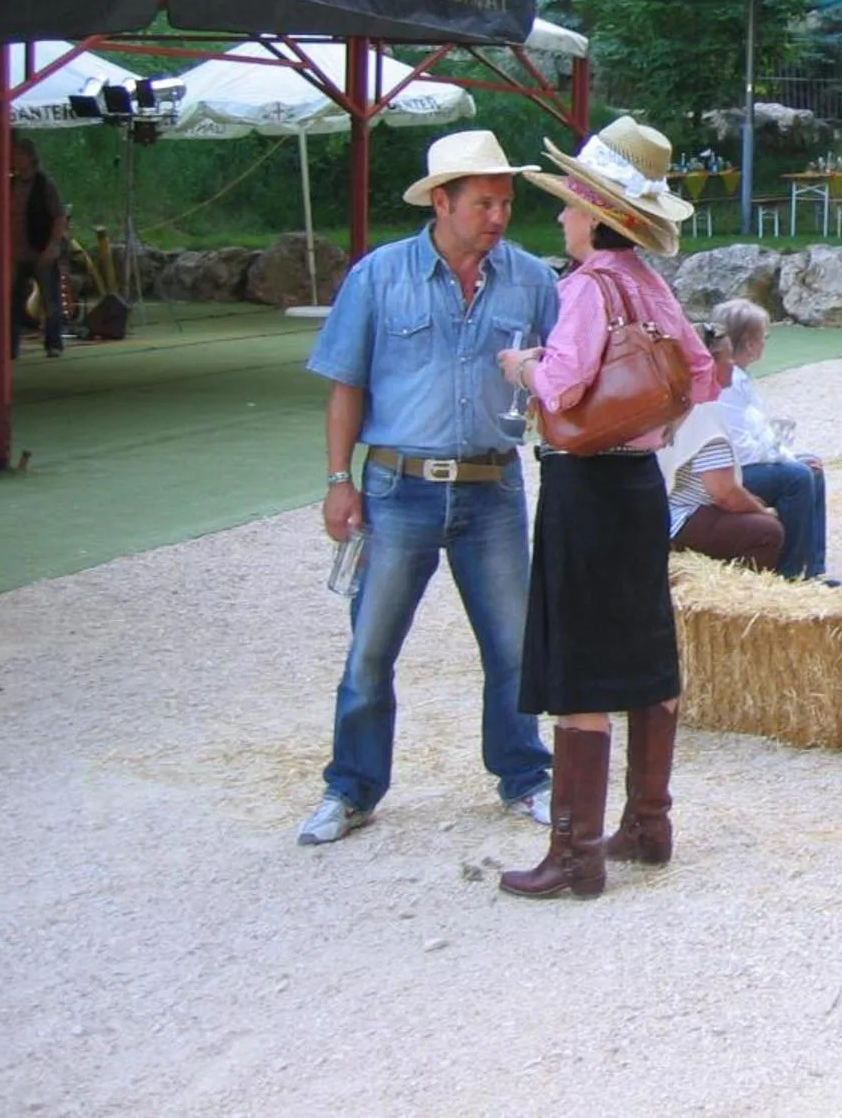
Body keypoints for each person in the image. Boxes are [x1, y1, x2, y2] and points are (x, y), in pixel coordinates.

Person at [298, 129, 560, 849]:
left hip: (493, 485)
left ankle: (526, 776)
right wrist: (337, 481)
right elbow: (345, 385)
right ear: (441, 201)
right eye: (484, 203)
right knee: (371, 649)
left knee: (514, 646)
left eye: (505, 203)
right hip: (396, 486)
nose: (498, 216)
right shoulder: (379, 276)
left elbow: (565, 376)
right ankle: (351, 789)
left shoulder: (532, 280)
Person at [497, 117, 715, 900]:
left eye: (570, 203)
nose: (562, 215)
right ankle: (648, 823)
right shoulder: (652, 286)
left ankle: (576, 853)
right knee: (648, 648)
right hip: (639, 484)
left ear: (595, 214)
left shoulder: (586, 288)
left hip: (585, 483)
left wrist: (521, 367)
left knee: (579, 660)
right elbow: (702, 375)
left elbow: (561, 387)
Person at [706, 298, 830, 582]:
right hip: (730, 471)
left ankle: (813, 567)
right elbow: (742, 450)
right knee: (798, 477)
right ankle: (789, 572)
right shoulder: (729, 384)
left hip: (741, 464)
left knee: (810, 466)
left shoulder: (739, 378)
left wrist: (787, 456)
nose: (766, 343)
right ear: (750, 344)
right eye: (765, 337)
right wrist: (785, 460)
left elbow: (759, 434)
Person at [661, 324, 786, 572]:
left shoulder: (677, 402)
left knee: (757, 504)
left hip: (667, 509)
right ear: (710, 364)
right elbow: (723, 493)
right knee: (768, 531)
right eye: (728, 358)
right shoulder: (704, 413)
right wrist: (762, 512)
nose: (733, 364)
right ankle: (747, 588)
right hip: (679, 518)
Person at [7, 137, 68, 357]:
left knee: (50, 299)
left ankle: (54, 343)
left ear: (30, 157)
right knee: (13, 301)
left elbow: (59, 216)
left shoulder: (45, 185)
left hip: (40, 250)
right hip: (16, 253)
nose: (15, 158)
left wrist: (53, 246)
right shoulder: (10, 184)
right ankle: (10, 346)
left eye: (19, 154)